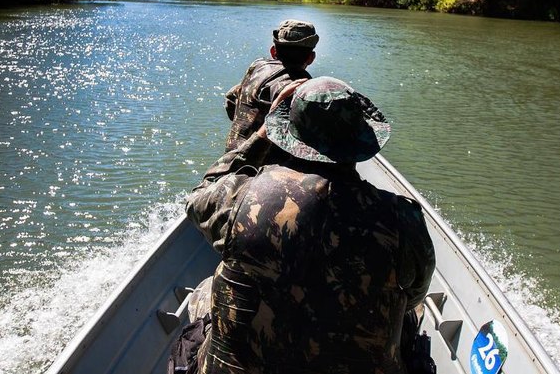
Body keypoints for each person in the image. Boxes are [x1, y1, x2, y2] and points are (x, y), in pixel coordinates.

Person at [186, 76, 435, 374]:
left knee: (205, 290)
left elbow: (200, 195)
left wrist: (260, 136)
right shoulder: (403, 220)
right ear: (360, 141)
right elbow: (414, 295)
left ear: (288, 135)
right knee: (412, 313)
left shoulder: (240, 198)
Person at [223, 19, 318, 153]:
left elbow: (231, 99)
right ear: (311, 58)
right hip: (261, 167)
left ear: (273, 51)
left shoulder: (258, 66)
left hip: (230, 158)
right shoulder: (300, 87)